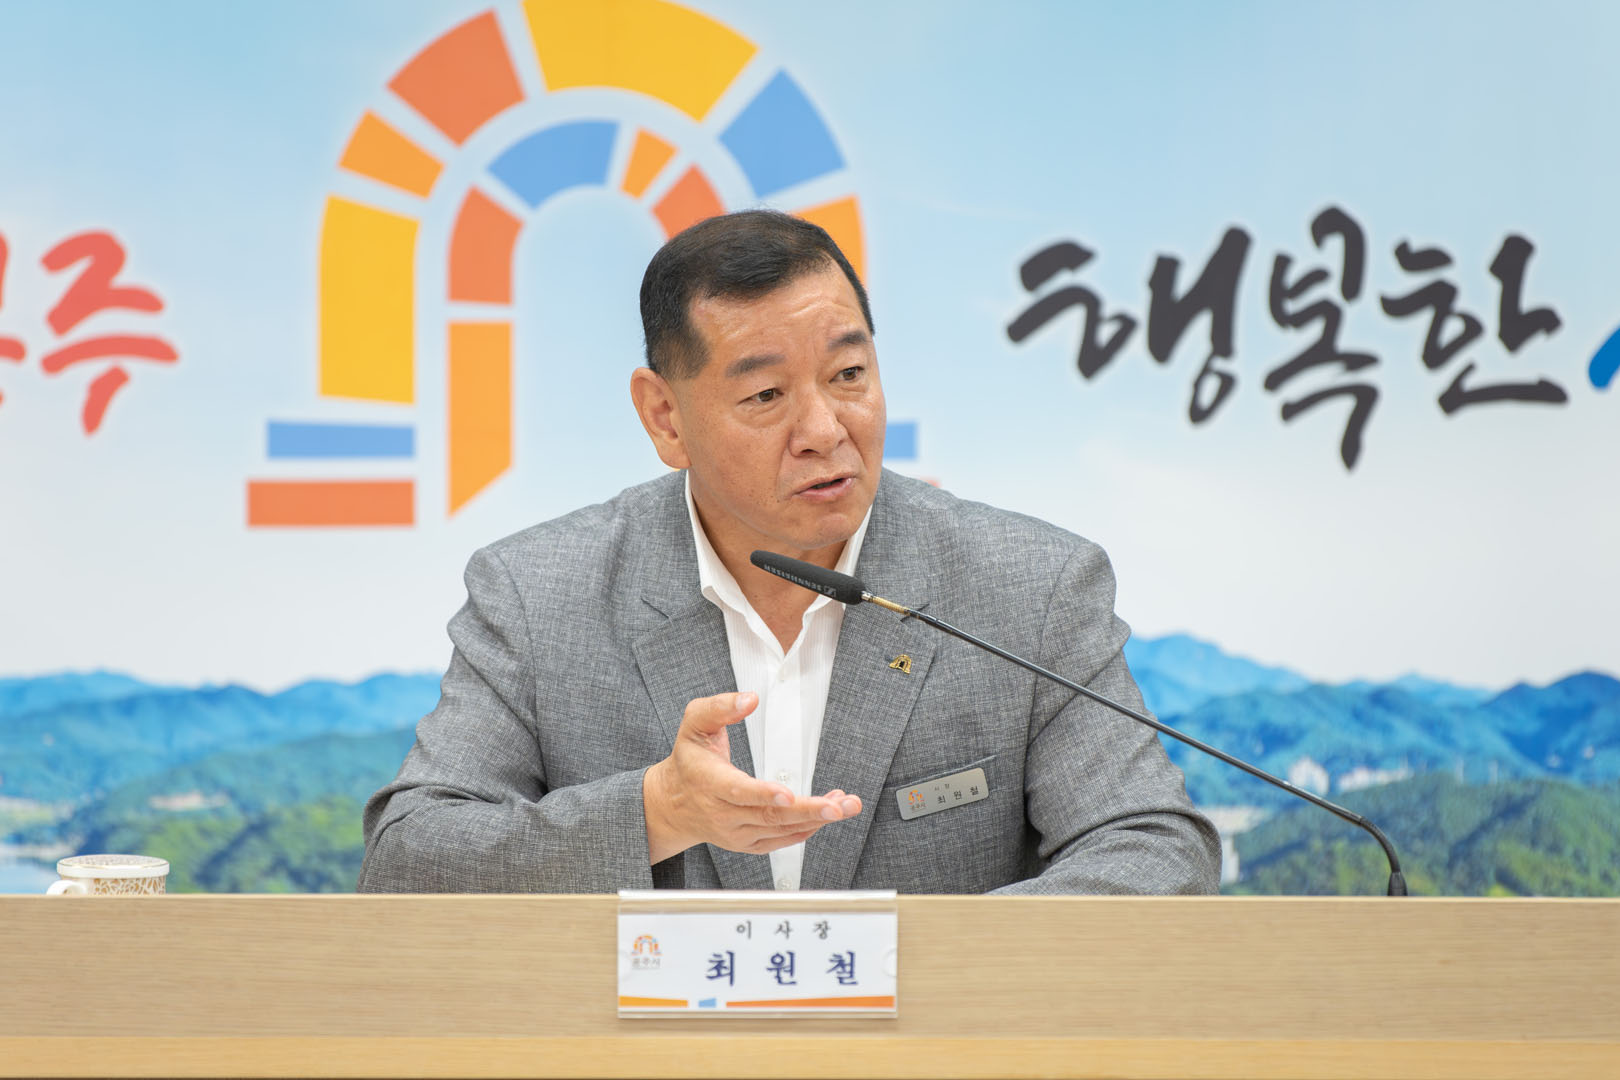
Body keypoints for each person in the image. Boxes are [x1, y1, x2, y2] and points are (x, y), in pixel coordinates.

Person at [358, 210, 1219, 894]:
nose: (825, 430)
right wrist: (657, 811)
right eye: (767, 394)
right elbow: (409, 861)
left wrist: (906, 968)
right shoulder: (540, 596)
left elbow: (1153, 849)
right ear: (665, 417)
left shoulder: (1029, 587)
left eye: (849, 376)